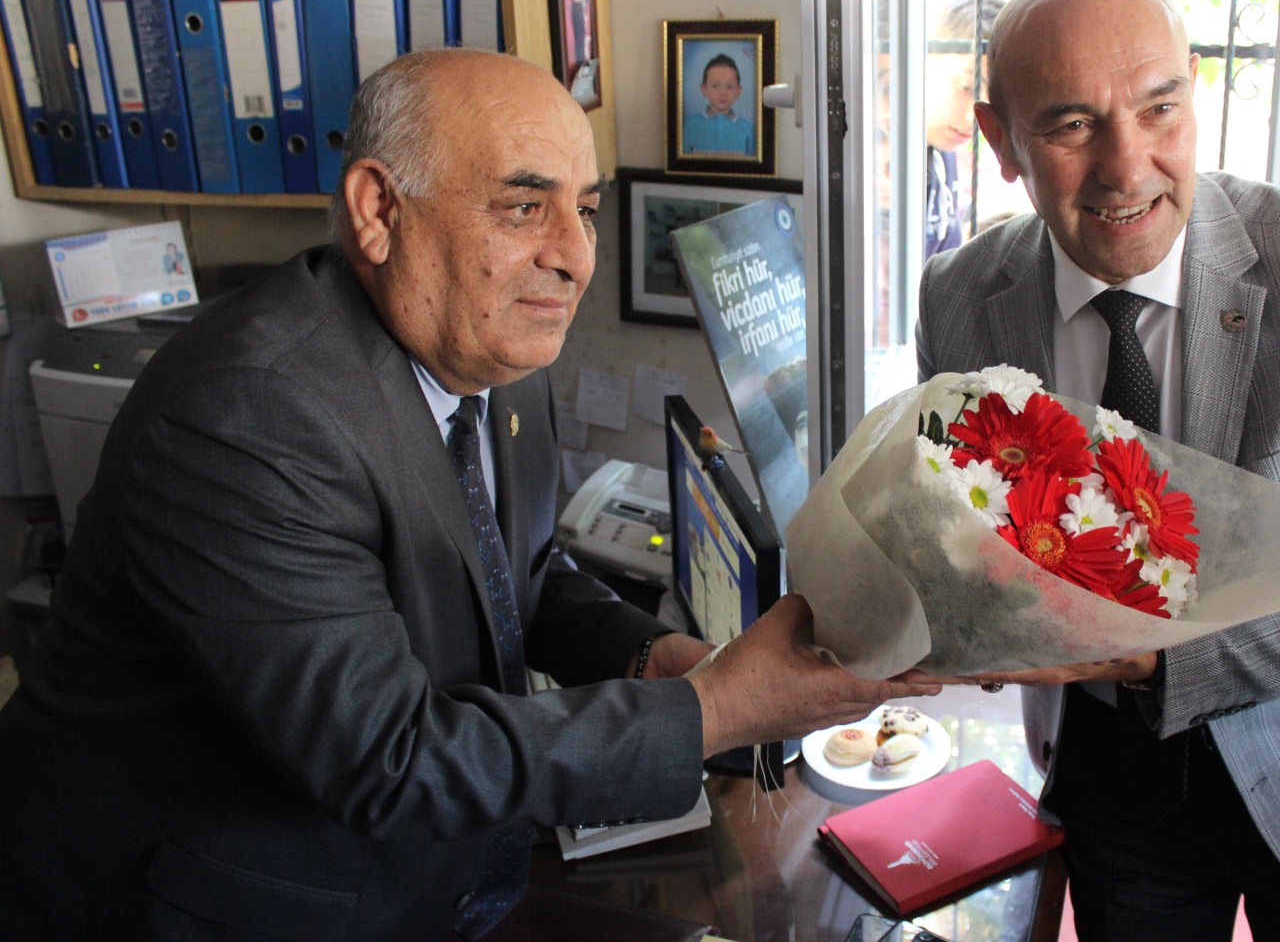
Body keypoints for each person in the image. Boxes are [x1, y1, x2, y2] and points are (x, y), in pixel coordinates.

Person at [0, 49, 936, 942]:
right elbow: (390, 758)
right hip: (219, 907)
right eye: (525, 206)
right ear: (378, 210)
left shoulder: (487, 340)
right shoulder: (245, 417)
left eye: (586, 209)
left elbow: (519, 569)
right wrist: (718, 710)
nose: (573, 255)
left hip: (428, 878)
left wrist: (657, 657)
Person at [916, 0, 1280, 942]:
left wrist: (1149, 655)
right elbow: (966, 527)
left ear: (1195, 88)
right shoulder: (957, 297)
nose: (1126, 164)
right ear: (998, 141)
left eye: (1159, 108)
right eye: (1069, 125)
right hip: (1115, 770)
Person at [922, 0, 1004, 260]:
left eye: (994, 103)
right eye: (966, 87)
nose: (974, 118)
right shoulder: (884, 166)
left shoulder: (943, 154)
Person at [683, 53, 756, 156]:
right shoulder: (691, 125)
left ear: (738, 91)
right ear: (704, 89)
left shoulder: (747, 129)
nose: (723, 93)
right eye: (715, 86)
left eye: (729, 87)